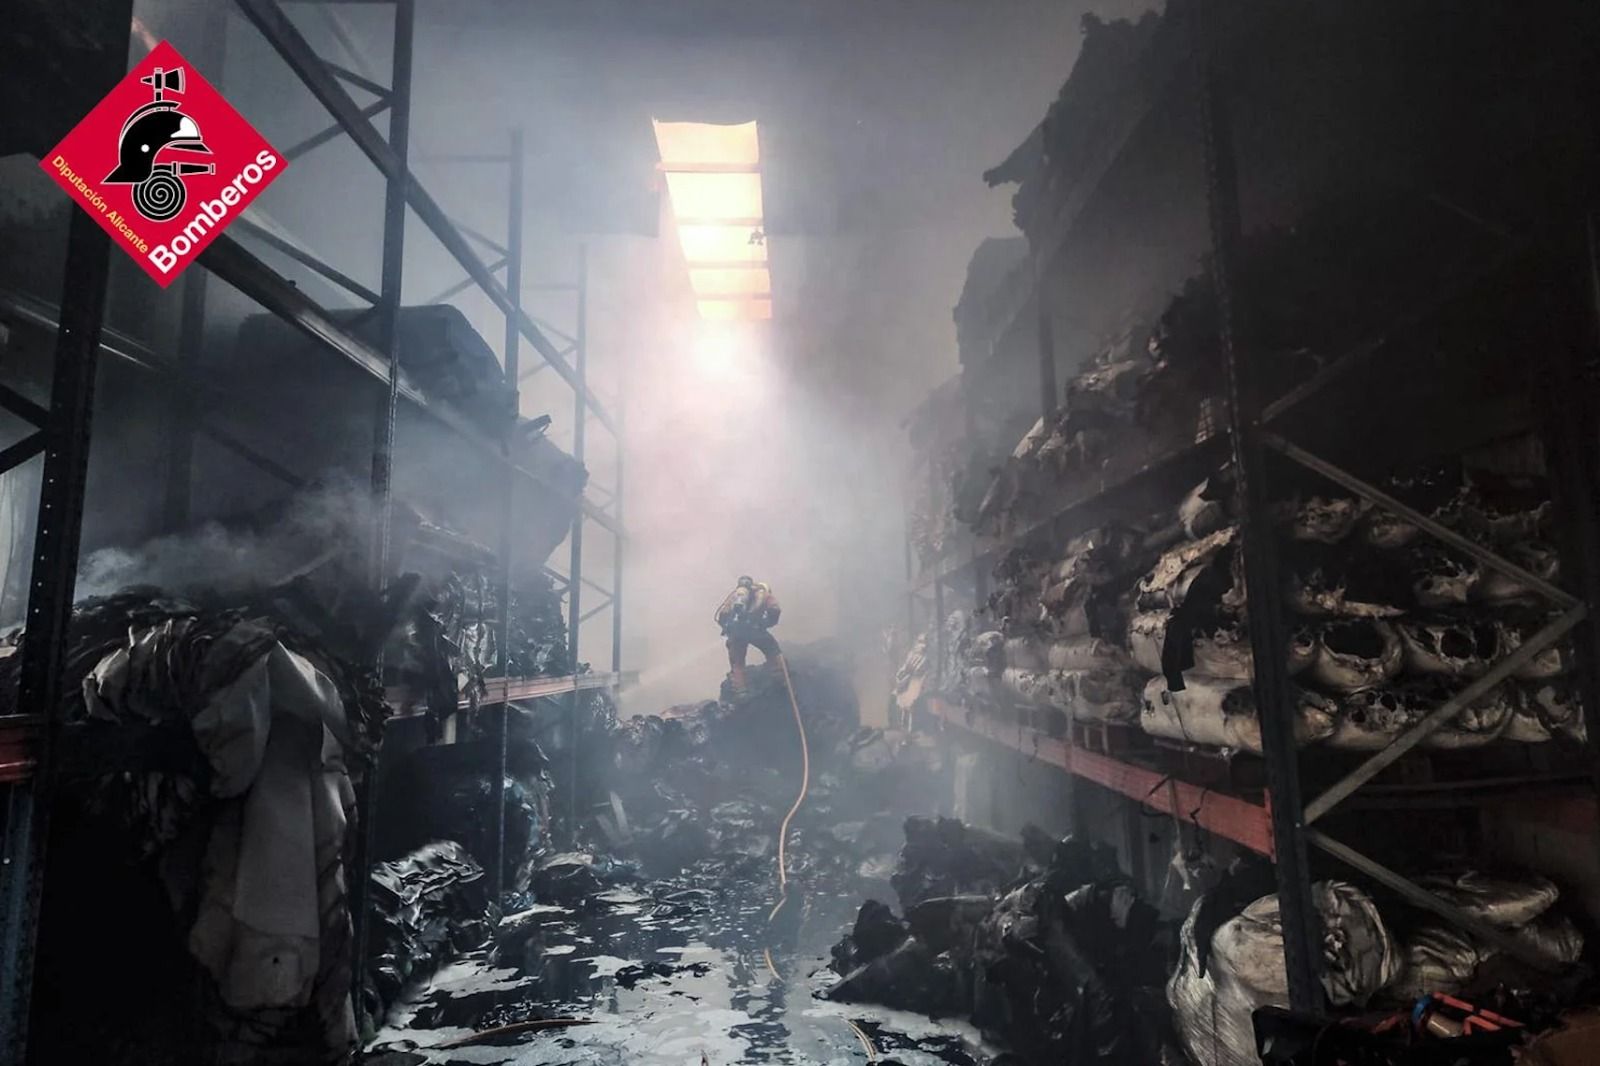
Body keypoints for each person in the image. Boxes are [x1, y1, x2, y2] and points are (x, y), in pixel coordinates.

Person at [714, 575, 782, 695]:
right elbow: (775, 609)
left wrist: (727, 628)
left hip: (736, 632)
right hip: (756, 630)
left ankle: (741, 691)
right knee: (772, 650)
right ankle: (780, 676)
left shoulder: (734, 596)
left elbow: (723, 614)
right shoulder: (764, 594)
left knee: (737, 663)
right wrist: (767, 622)